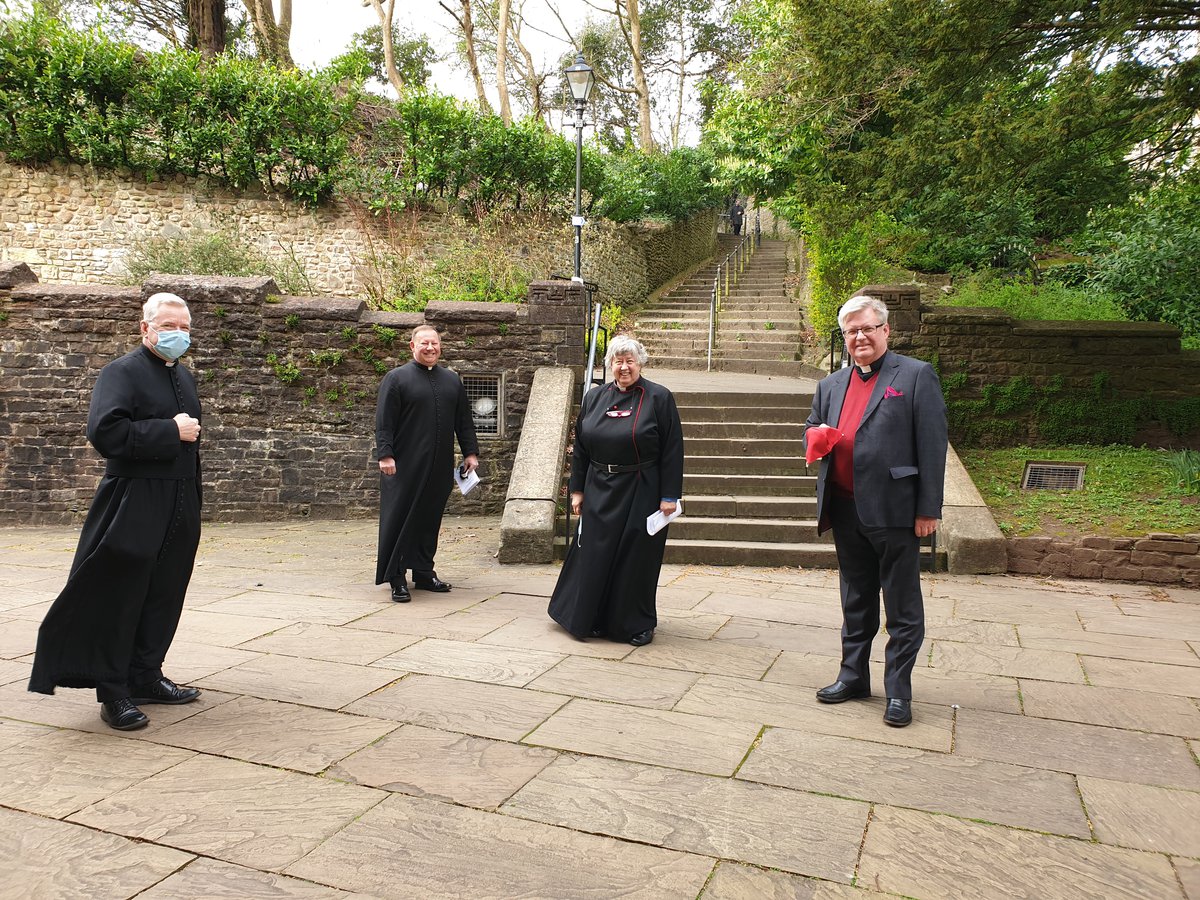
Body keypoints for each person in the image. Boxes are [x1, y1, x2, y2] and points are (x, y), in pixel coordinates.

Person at [28, 292, 204, 731]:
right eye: (168, 326)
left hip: (180, 499)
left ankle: (146, 675)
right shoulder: (119, 372)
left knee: (165, 591)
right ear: (145, 328)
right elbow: (104, 432)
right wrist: (170, 431)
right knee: (120, 593)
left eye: (184, 328)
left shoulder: (184, 377)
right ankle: (113, 692)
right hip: (133, 497)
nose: (177, 334)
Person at [804, 295, 948, 727]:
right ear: (844, 338)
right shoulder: (830, 385)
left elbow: (932, 444)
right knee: (855, 599)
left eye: (867, 328)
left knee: (902, 606)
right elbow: (813, 427)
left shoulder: (916, 375)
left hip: (895, 510)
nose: (860, 337)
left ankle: (899, 693)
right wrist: (816, 436)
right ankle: (853, 677)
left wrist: (928, 509)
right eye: (851, 331)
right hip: (845, 508)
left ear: (885, 330)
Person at [548, 335, 684, 646]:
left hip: (643, 489)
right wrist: (577, 490)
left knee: (635, 559)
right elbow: (581, 447)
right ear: (609, 364)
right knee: (594, 556)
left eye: (629, 361)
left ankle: (636, 624)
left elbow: (673, 450)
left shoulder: (659, 398)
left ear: (640, 363)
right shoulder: (595, 398)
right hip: (599, 488)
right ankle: (591, 617)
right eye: (617, 361)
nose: (623, 367)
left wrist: (669, 496)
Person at [375, 325, 479, 602]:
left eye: (434, 343)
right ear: (412, 346)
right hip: (403, 466)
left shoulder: (452, 380)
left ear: (440, 346)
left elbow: (463, 421)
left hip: (439, 465)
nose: (430, 348)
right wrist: (385, 455)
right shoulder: (396, 379)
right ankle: (396, 577)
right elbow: (384, 422)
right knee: (400, 519)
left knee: (429, 519)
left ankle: (423, 571)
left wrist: (470, 453)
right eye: (424, 344)